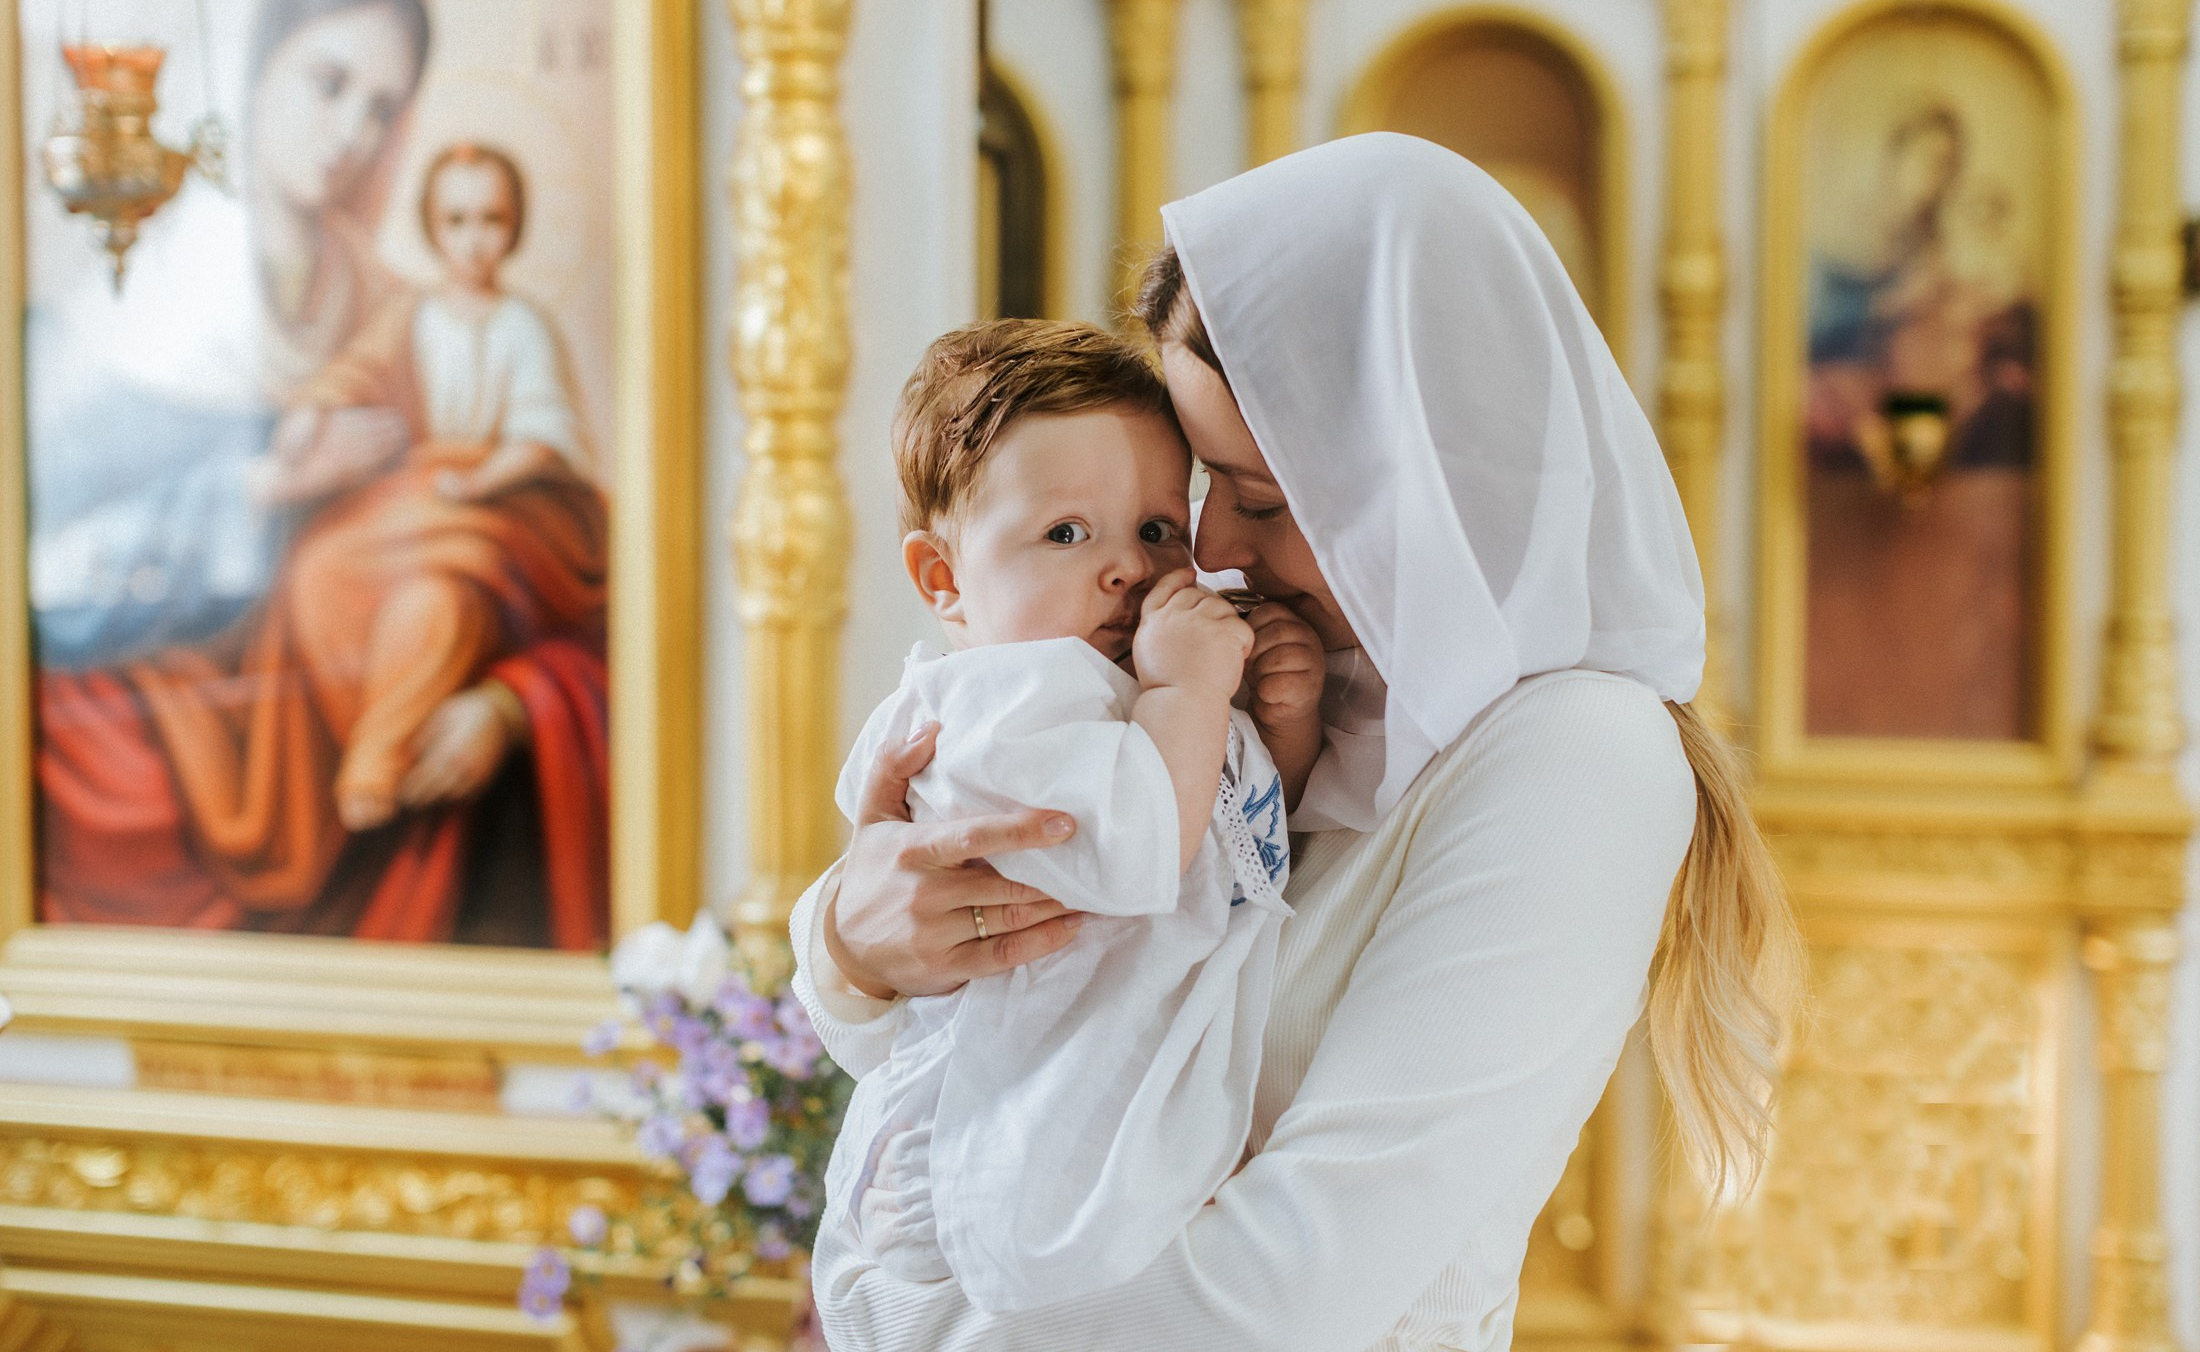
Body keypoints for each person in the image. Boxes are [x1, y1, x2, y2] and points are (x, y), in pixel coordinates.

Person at [791, 133, 1802, 1350]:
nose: (1207, 544)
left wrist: (922, 1335)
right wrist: (855, 942)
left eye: (1258, 497)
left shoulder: (1577, 759)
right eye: (1199, 492)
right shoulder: (1276, 679)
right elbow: (1003, 1010)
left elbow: (1291, 1284)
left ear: (1411, 478)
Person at [33, 0, 608, 948]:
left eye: (384, 106)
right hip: (131, 843)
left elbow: (565, 578)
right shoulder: (100, 333)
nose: (353, 133)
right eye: (329, 82)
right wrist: (260, 484)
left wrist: (508, 704)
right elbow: (43, 592)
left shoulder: (407, 311)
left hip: (384, 809)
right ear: (243, 62)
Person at [814, 321, 1310, 1313]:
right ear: (942, 580)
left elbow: (1241, 846)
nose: (1128, 567)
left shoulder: (1117, 694)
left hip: (1078, 1153)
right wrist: (1188, 696)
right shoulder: (1005, 706)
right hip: (975, 1173)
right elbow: (1140, 852)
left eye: (1158, 529)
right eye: (1066, 534)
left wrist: (1278, 735)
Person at [255, 140, 601, 833]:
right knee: (318, 570)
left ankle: (378, 759)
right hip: (422, 494)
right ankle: (359, 730)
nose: (474, 242)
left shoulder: (522, 325)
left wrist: (478, 482)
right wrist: (309, 412)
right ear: (432, 227)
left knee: (435, 602)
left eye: (491, 221)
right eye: (457, 221)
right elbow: (355, 369)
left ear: (515, 227)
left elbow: (541, 436)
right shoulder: (411, 315)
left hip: (512, 509)